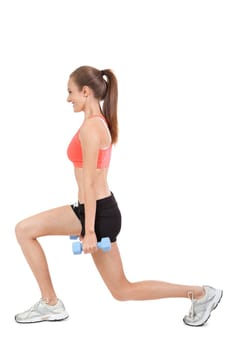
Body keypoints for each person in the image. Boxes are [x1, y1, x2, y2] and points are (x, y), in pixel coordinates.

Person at [15, 65, 222, 326]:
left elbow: (90, 184)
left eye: (71, 92)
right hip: (95, 209)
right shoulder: (96, 123)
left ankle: (50, 303)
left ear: (86, 91)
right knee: (122, 290)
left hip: (96, 210)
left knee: (24, 230)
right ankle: (202, 294)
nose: (68, 98)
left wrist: (89, 230)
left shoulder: (92, 128)